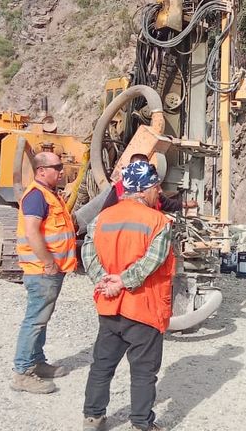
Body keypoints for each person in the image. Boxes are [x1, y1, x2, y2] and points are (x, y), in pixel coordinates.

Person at [82, 160, 174, 431]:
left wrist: (106, 282)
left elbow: (88, 253)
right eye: (156, 187)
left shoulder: (102, 217)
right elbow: (152, 262)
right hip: (143, 308)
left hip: (110, 307)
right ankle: (142, 424)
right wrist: (123, 281)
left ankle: (93, 417)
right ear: (145, 189)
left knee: (102, 366)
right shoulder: (158, 221)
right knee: (144, 372)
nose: (159, 192)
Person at [9, 151, 77, 394]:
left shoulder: (49, 195)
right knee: (35, 320)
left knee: (42, 319)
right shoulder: (37, 196)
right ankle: (23, 372)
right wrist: (48, 262)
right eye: (57, 167)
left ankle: (37, 361)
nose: (61, 171)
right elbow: (32, 233)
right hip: (42, 271)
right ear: (41, 171)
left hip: (50, 270)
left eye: (62, 166)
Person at [114, 154, 198, 212]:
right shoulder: (114, 191)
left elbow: (166, 203)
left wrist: (185, 204)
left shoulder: (153, 191)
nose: (160, 191)